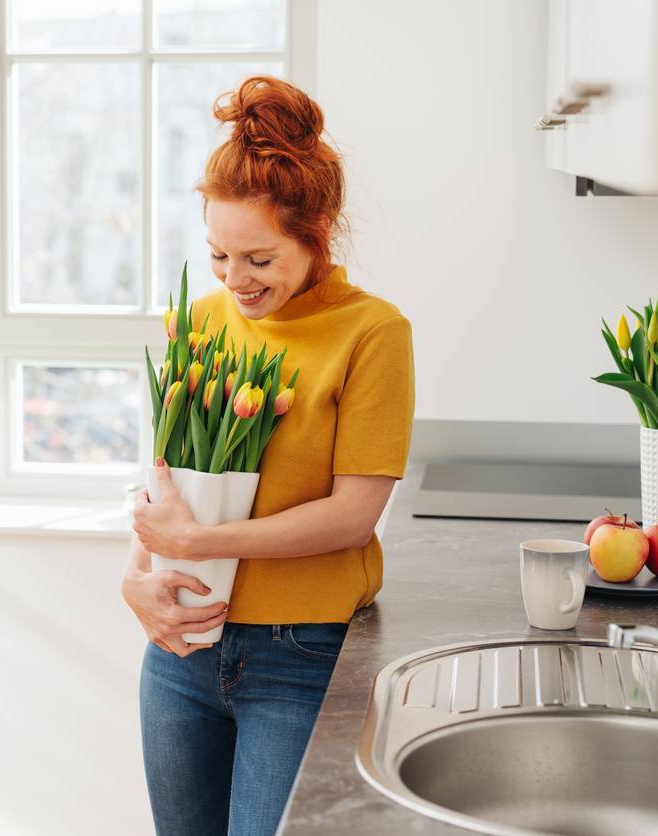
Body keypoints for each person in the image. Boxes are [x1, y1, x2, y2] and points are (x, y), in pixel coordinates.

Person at [121, 75, 415, 836]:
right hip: (180, 647)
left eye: (259, 257)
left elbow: (352, 516)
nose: (235, 281)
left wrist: (198, 542)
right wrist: (135, 578)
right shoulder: (197, 321)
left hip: (299, 658)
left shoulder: (372, 333)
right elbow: (165, 483)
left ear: (315, 233)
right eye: (218, 255)